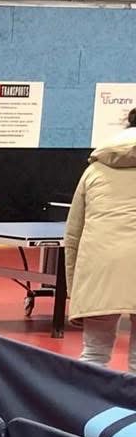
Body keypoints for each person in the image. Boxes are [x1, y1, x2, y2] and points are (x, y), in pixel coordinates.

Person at [65, 107, 136, 372]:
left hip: (99, 266)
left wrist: (75, 291)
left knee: (94, 354)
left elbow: (73, 233)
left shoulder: (94, 170)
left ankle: (86, 398)